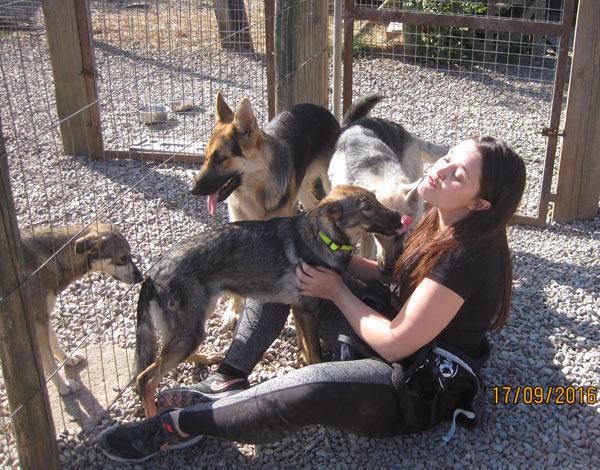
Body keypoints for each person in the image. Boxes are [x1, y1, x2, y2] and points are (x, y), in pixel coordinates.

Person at [99, 136, 526, 463]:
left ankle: (177, 426)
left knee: (309, 388)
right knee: (290, 273)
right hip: (390, 326)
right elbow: (391, 277)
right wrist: (327, 265)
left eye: (459, 175)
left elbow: (398, 342)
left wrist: (336, 290)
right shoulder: (441, 216)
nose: (442, 169)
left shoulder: (466, 257)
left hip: (417, 384)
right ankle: (229, 376)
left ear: (482, 203)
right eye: (449, 157)